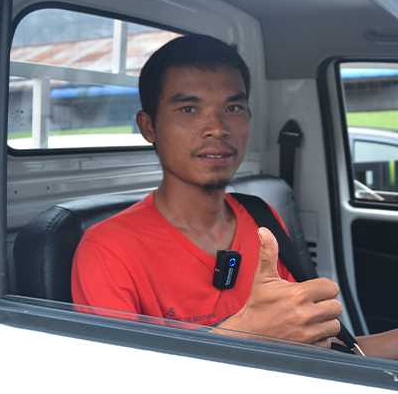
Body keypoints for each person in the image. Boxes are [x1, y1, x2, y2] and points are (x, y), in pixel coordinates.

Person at [72, 34, 398, 358]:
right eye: (189, 109)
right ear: (149, 127)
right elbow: (119, 376)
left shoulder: (262, 218)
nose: (217, 128)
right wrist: (246, 336)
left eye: (233, 107)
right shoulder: (108, 250)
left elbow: (324, 351)